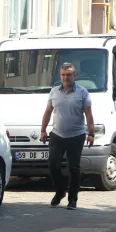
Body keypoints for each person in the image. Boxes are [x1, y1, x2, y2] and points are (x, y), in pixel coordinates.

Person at [40, 62, 95, 210]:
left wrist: (91, 133)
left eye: (69, 74)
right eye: (63, 75)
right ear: (60, 76)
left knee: (74, 168)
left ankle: (73, 199)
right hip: (57, 134)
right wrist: (43, 130)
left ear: (74, 76)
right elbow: (48, 112)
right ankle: (60, 191)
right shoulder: (54, 92)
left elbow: (88, 115)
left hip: (76, 136)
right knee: (53, 164)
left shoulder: (83, 92)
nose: (66, 77)